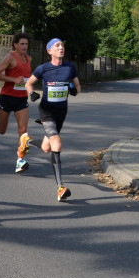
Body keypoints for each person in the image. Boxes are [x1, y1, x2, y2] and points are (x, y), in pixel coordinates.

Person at [24, 38, 81, 201]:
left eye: (62, 45)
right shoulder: (43, 68)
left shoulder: (70, 68)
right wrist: (32, 93)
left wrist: (74, 90)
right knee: (57, 143)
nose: (61, 47)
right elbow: (29, 83)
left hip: (61, 111)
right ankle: (60, 188)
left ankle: (26, 142)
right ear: (49, 51)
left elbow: (78, 86)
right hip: (46, 110)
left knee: (47, 147)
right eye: (57, 46)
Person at [0, 32, 34, 173]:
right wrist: (14, 80)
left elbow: (26, 76)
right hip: (7, 97)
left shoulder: (29, 59)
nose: (25, 46)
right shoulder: (10, 58)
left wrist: (29, 81)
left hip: (21, 98)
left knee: (23, 131)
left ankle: (20, 160)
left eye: (26, 44)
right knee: (2, 129)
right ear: (15, 44)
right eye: (22, 44)